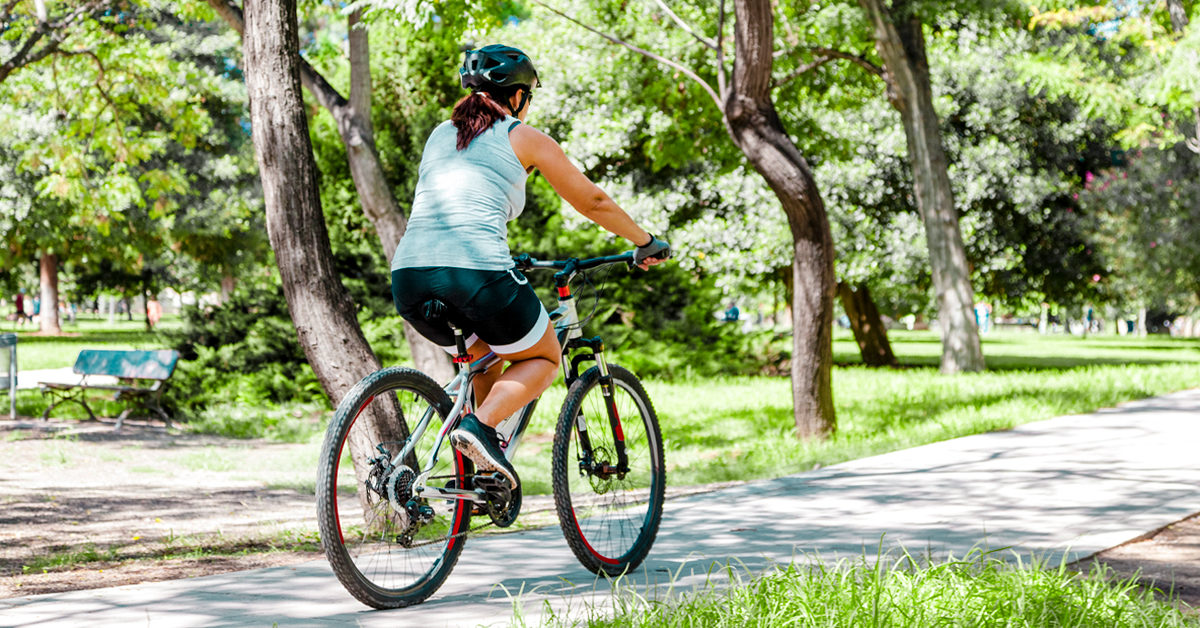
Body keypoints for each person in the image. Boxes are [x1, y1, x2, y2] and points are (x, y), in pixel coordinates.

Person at [390, 45, 670, 489]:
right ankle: (477, 427)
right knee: (542, 355)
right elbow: (592, 200)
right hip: (475, 271)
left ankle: (484, 467)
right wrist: (645, 242)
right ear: (517, 96)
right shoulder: (523, 136)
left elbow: (466, 201)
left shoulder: (440, 134)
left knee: (485, 356)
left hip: (408, 277)